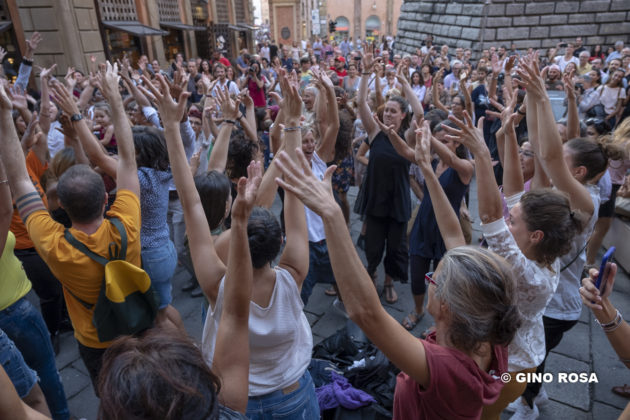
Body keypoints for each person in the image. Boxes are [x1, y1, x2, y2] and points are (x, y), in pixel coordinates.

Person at [272, 122, 521, 419]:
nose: (430, 278)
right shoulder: (489, 326)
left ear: (445, 307)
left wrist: (331, 214)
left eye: (434, 279)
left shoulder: (445, 369)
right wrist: (428, 171)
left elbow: (366, 312)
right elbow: (453, 237)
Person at [142, 70, 319, 418]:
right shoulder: (294, 273)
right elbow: (295, 196)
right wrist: (293, 126)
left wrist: (171, 126)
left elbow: (191, 201)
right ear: (279, 243)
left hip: (238, 403)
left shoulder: (216, 286)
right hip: (293, 396)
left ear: (231, 240)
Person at [0, 62, 142, 391]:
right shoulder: (127, 221)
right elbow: (129, 162)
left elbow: (19, 179)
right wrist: (115, 100)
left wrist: (5, 116)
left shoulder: (52, 242)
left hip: (95, 342)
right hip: (134, 327)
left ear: (59, 205)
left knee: (109, 394)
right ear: (106, 199)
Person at [98, 160, 263, 420]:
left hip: (166, 265)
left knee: (196, 314)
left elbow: (192, 201)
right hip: (167, 261)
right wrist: (241, 223)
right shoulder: (222, 242)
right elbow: (235, 314)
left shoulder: (200, 238)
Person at [356, 51, 414, 304]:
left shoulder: (408, 136)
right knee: (373, 244)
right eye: (386, 110)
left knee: (396, 245)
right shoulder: (375, 132)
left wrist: (404, 81)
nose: (388, 114)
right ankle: (371, 271)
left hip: (398, 198)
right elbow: (360, 103)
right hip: (376, 197)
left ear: (403, 115)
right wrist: (366, 74)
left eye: (394, 111)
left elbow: (420, 112)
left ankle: (389, 281)